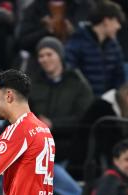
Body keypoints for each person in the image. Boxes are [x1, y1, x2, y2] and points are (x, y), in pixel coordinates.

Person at [29, 36, 94, 164]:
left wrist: (54, 124)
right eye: (41, 56)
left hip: (69, 148)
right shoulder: (32, 84)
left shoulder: (77, 82)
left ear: (60, 55)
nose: (45, 59)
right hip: (37, 148)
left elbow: (84, 116)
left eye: (49, 54)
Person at [64, 0, 125, 96]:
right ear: (106, 21)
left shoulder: (114, 46)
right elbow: (70, 74)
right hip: (83, 103)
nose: (119, 26)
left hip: (106, 104)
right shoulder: (78, 41)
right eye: (117, 21)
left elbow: (119, 78)